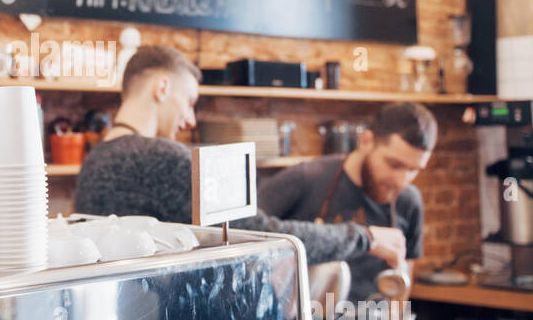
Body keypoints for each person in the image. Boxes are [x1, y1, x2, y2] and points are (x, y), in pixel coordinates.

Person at [74, 46, 406, 265]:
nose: (190, 120)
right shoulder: (165, 158)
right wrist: (364, 236)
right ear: (162, 88)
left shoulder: (92, 163)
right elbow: (261, 236)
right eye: (189, 101)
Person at [258, 101, 436, 306]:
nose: (401, 181)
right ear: (366, 141)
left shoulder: (409, 200)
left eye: (414, 170)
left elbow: (403, 280)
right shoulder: (306, 178)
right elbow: (249, 232)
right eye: (393, 164)